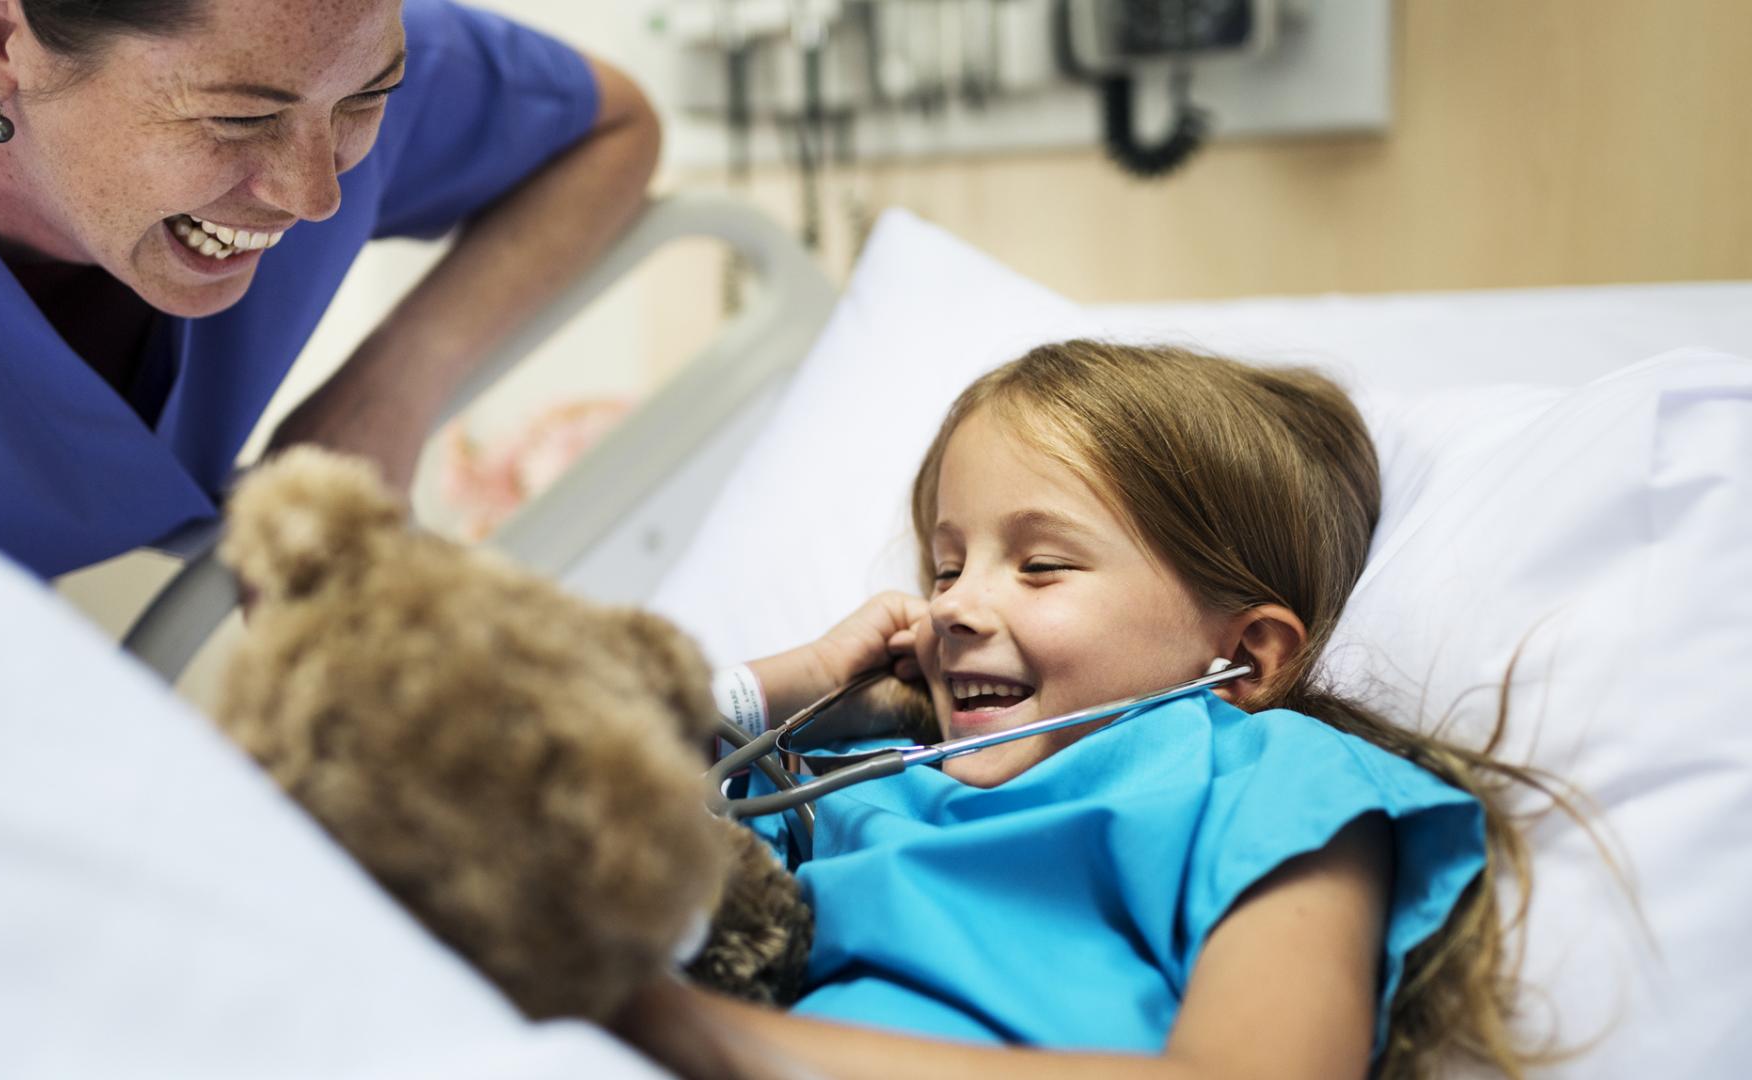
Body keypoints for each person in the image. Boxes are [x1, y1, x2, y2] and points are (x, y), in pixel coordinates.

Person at [616, 341, 1574, 1080]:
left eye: (1041, 566)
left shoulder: (1271, 781)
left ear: (1244, 657)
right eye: (946, 567)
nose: (950, 604)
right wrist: (786, 694)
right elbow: (548, 796)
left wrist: (703, 1037)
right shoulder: (841, 789)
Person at [0, 0, 660, 577]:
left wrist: (388, 392)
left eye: (366, 98)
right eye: (239, 119)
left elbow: (613, 130)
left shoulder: (310, 43)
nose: (316, 195)